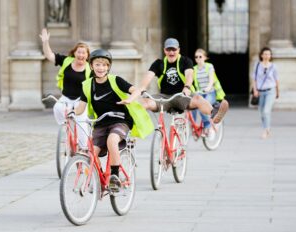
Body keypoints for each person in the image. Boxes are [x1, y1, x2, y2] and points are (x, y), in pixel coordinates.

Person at [72, 49, 153, 191]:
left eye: (104, 65)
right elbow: (81, 107)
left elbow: (137, 90)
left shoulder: (116, 80)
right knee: (91, 153)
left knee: (112, 140)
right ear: (91, 66)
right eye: (97, 64)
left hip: (120, 120)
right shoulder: (87, 85)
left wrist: (129, 99)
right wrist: (71, 113)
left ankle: (114, 178)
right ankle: (101, 177)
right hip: (101, 123)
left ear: (108, 67)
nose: (101, 68)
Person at [138, 38, 228, 125]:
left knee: (198, 99)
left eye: (174, 49)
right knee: (145, 102)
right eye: (168, 50)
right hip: (164, 97)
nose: (171, 52)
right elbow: (148, 75)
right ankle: (133, 124)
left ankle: (214, 114)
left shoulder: (185, 61)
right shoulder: (158, 63)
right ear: (164, 50)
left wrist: (187, 87)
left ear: (178, 50)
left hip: (182, 95)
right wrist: (142, 88)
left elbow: (189, 75)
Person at [39, 28, 91, 150]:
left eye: (84, 53)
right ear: (75, 53)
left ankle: (84, 151)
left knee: (82, 125)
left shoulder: (90, 69)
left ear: (87, 56)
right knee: (57, 108)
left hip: (81, 100)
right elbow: (49, 55)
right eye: (79, 52)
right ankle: (68, 130)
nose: (81, 55)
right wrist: (45, 42)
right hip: (66, 97)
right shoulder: (67, 61)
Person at [192, 48, 227, 136]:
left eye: (200, 56)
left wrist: (208, 88)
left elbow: (211, 80)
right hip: (200, 93)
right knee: (192, 107)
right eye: (196, 57)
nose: (198, 58)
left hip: (210, 92)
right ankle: (194, 127)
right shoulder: (194, 68)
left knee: (202, 107)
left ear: (205, 57)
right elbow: (190, 82)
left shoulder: (209, 66)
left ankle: (207, 126)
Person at [252, 47, 279, 139]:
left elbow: (276, 80)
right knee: (262, 113)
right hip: (260, 92)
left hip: (271, 91)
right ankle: (267, 129)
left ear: (271, 56)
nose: (267, 55)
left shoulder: (273, 66)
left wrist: (278, 92)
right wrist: (255, 90)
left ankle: (265, 130)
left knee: (266, 111)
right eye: (265, 54)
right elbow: (254, 79)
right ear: (262, 55)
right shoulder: (257, 65)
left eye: (269, 54)